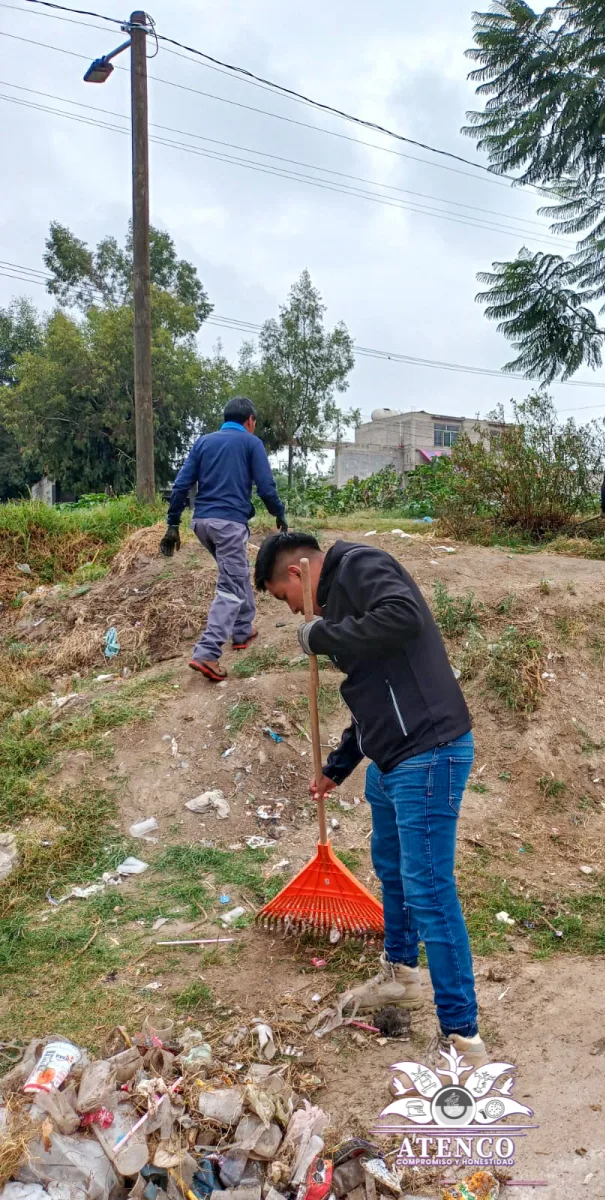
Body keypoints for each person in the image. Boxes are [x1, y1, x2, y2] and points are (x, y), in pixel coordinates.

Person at [253, 530, 488, 1069]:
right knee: (395, 871)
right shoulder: (340, 597)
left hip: (429, 752)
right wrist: (337, 767)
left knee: (429, 888)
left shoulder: (360, 565)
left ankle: (463, 1040)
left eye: (286, 600)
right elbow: (375, 689)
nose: (294, 613)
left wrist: (323, 634)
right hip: (392, 761)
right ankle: (402, 975)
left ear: (298, 574)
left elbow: (405, 614)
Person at [160, 396, 288, 682]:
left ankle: (242, 631)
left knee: (237, 572)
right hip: (229, 525)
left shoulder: (203, 442)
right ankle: (207, 652)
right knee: (230, 586)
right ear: (250, 420)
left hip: (201, 523)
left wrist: (172, 524)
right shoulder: (251, 443)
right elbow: (267, 487)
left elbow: (181, 485)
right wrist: (279, 514)